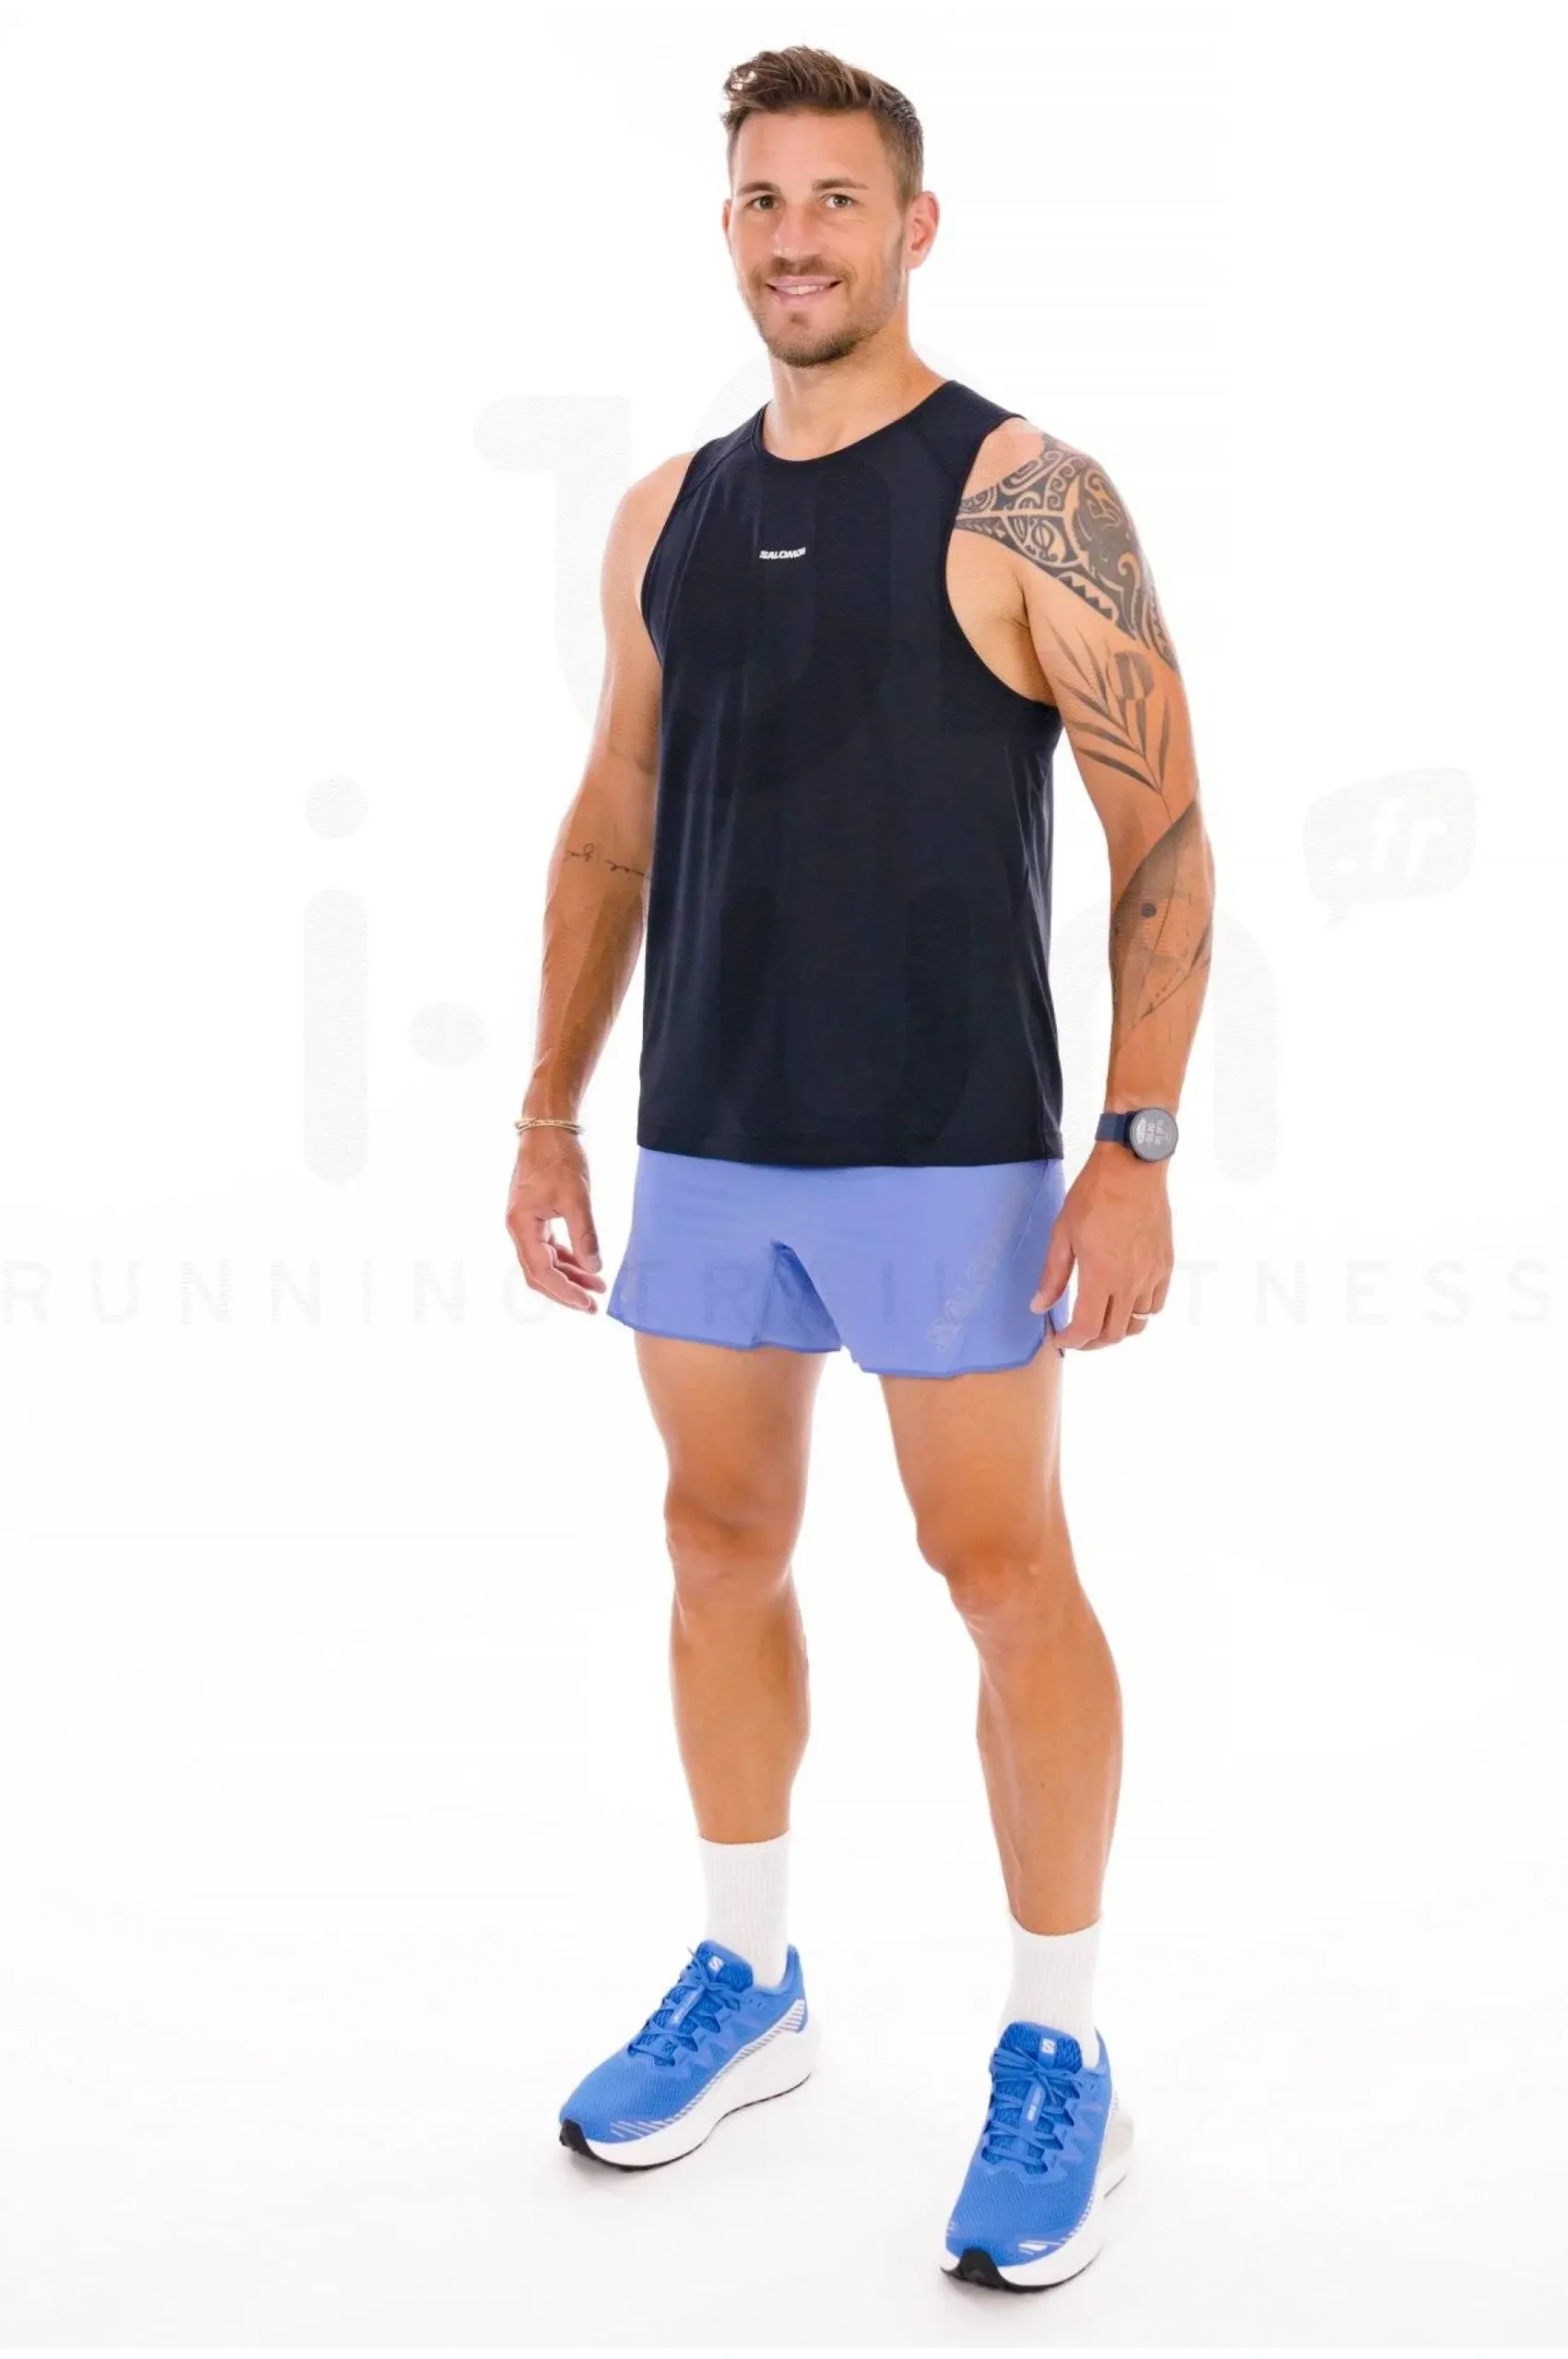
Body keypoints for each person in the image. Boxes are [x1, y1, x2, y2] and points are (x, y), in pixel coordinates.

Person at [504, 42, 1214, 2293]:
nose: (793, 235)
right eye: (759, 199)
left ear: (913, 227)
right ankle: (750, 1976)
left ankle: (1058, 2044)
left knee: (998, 1574)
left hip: (948, 1145)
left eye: (835, 198)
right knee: (713, 1541)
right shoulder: (665, 511)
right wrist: (544, 1105)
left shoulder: (1023, 495)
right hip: (709, 1131)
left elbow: (1162, 836)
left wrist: (1133, 1144)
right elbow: (612, 819)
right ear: (725, 227)